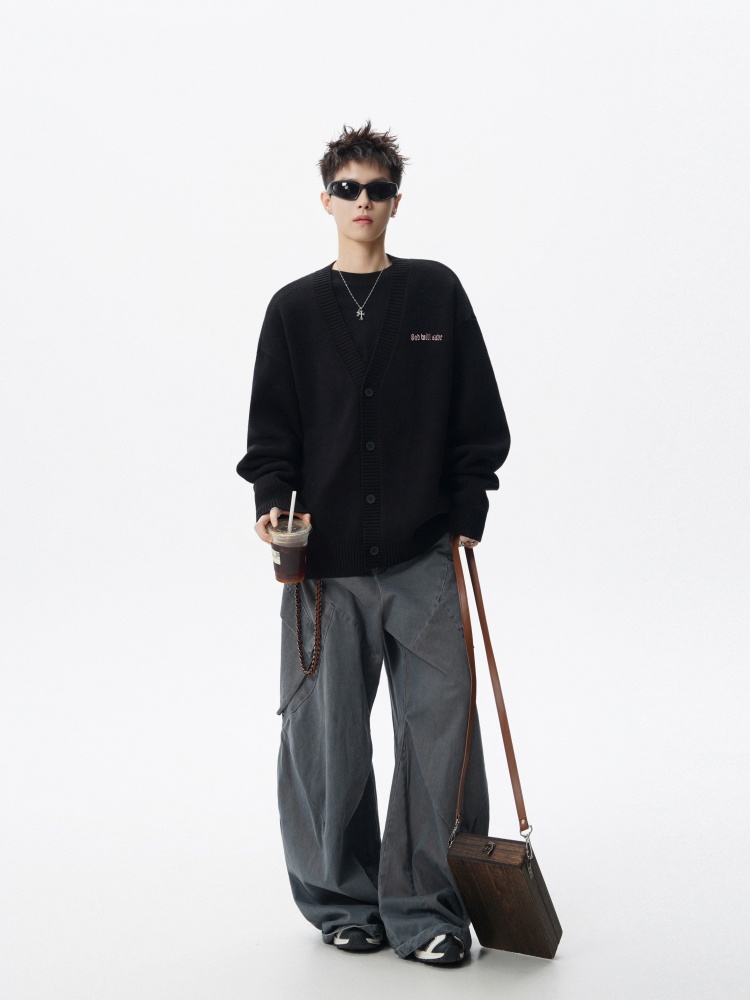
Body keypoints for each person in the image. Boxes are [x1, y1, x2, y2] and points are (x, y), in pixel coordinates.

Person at [236, 121, 511, 965]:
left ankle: (426, 909)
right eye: (348, 188)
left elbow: (477, 413)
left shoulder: (435, 294)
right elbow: (272, 432)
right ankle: (341, 901)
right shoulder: (292, 309)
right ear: (325, 200)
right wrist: (271, 505)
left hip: (425, 555)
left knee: (441, 737)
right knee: (326, 742)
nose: (363, 201)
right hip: (322, 566)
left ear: (396, 201)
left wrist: (467, 509)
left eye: (378, 189)